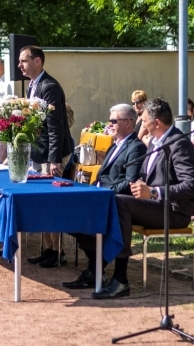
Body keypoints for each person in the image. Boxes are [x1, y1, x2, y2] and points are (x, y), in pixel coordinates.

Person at [80, 98, 194, 299]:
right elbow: (144, 177)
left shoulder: (179, 144)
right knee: (109, 203)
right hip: (153, 206)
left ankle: (120, 280)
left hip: (172, 211)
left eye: (144, 121)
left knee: (119, 203)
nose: (141, 124)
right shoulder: (154, 141)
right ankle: (96, 269)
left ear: (157, 122)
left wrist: (154, 192)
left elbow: (191, 186)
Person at [62, 103, 147, 289]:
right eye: (110, 121)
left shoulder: (136, 147)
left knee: (84, 220)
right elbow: (101, 177)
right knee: (71, 218)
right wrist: (91, 189)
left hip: (115, 201)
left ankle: (95, 271)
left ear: (129, 122)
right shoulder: (113, 146)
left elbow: (130, 182)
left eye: (114, 121)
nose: (110, 125)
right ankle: (95, 269)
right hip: (100, 196)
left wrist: (102, 191)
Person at [18, 45, 73, 269]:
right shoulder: (33, 85)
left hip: (53, 154)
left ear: (37, 61)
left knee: (51, 202)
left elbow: (55, 126)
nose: (20, 65)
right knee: (42, 202)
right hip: (38, 153)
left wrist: (54, 160)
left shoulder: (49, 86)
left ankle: (58, 252)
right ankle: (49, 249)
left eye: (23, 60)